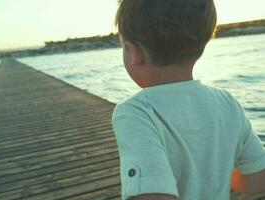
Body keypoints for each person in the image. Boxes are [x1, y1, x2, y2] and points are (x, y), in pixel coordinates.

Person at [111, 0, 265, 199]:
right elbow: (258, 179)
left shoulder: (136, 113)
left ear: (134, 53)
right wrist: (213, 175)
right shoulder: (227, 102)